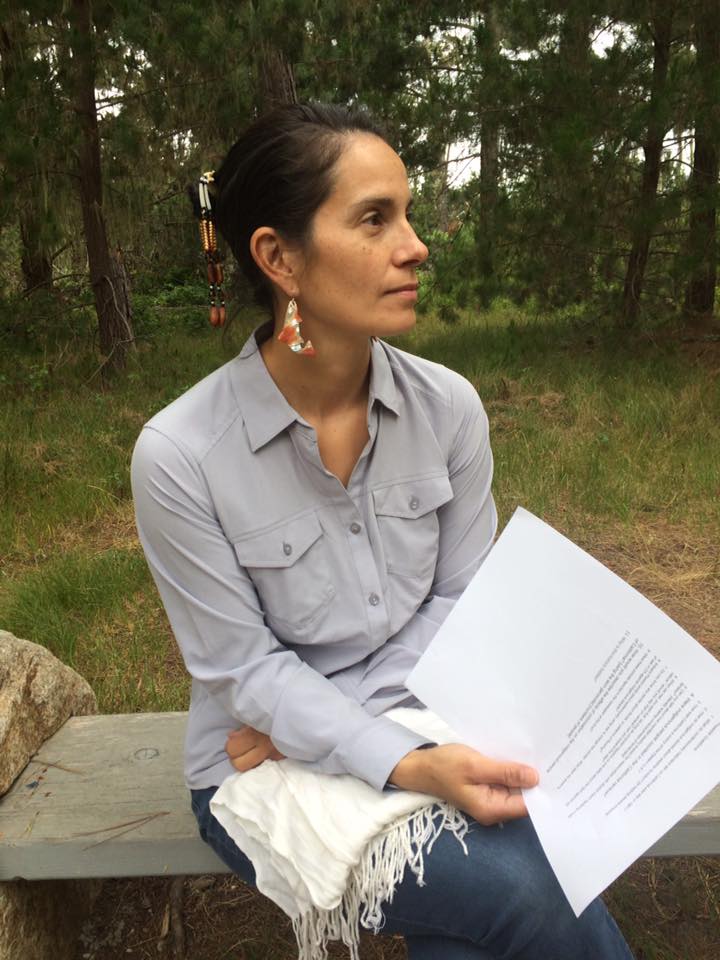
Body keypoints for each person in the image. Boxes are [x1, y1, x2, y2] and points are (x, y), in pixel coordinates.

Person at [131, 102, 635, 959]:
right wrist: (397, 759)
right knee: (528, 889)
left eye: (407, 211)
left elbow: (464, 602)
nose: (416, 245)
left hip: (409, 723)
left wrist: (351, 725)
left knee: (466, 936)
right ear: (277, 257)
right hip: (255, 774)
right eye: (375, 218)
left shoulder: (447, 409)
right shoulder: (181, 456)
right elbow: (243, 672)